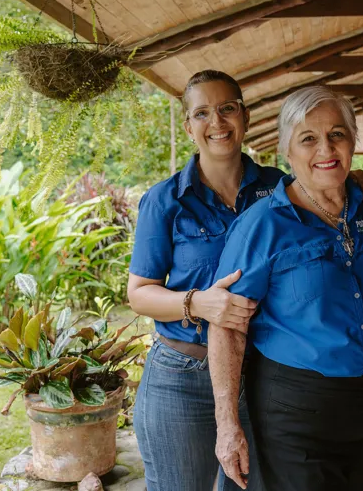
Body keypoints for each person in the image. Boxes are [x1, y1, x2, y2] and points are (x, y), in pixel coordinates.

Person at [208, 86, 363, 491]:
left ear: (353, 143)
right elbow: (226, 326)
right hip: (296, 411)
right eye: (308, 139)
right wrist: (227, 425)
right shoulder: (263, 225)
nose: (325, 148)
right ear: (286, 153)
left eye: (337, 134)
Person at [127, 69, 281, 491]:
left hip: (260, 371)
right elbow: (139, 294)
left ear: (245, 116)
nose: (217, 122)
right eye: (202, 113)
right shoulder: (165, 200)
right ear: (188, 125)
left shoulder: (281, 189)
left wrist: (359, 179)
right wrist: (196, 303)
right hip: (182, 376)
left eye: (227, 108)